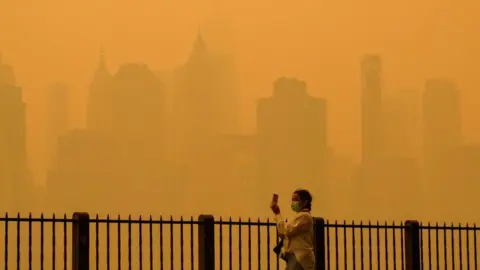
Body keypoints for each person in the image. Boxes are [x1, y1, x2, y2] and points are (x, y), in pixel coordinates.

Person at [270, 189, 315, 270]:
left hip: (300, 259)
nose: (293, 202)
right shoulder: (297, 217)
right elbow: (283, 234)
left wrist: (277, 213)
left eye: (296, 199)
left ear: (305, 202)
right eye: (292, 200)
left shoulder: (304, 216)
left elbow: (286, 231)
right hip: (293, 259)